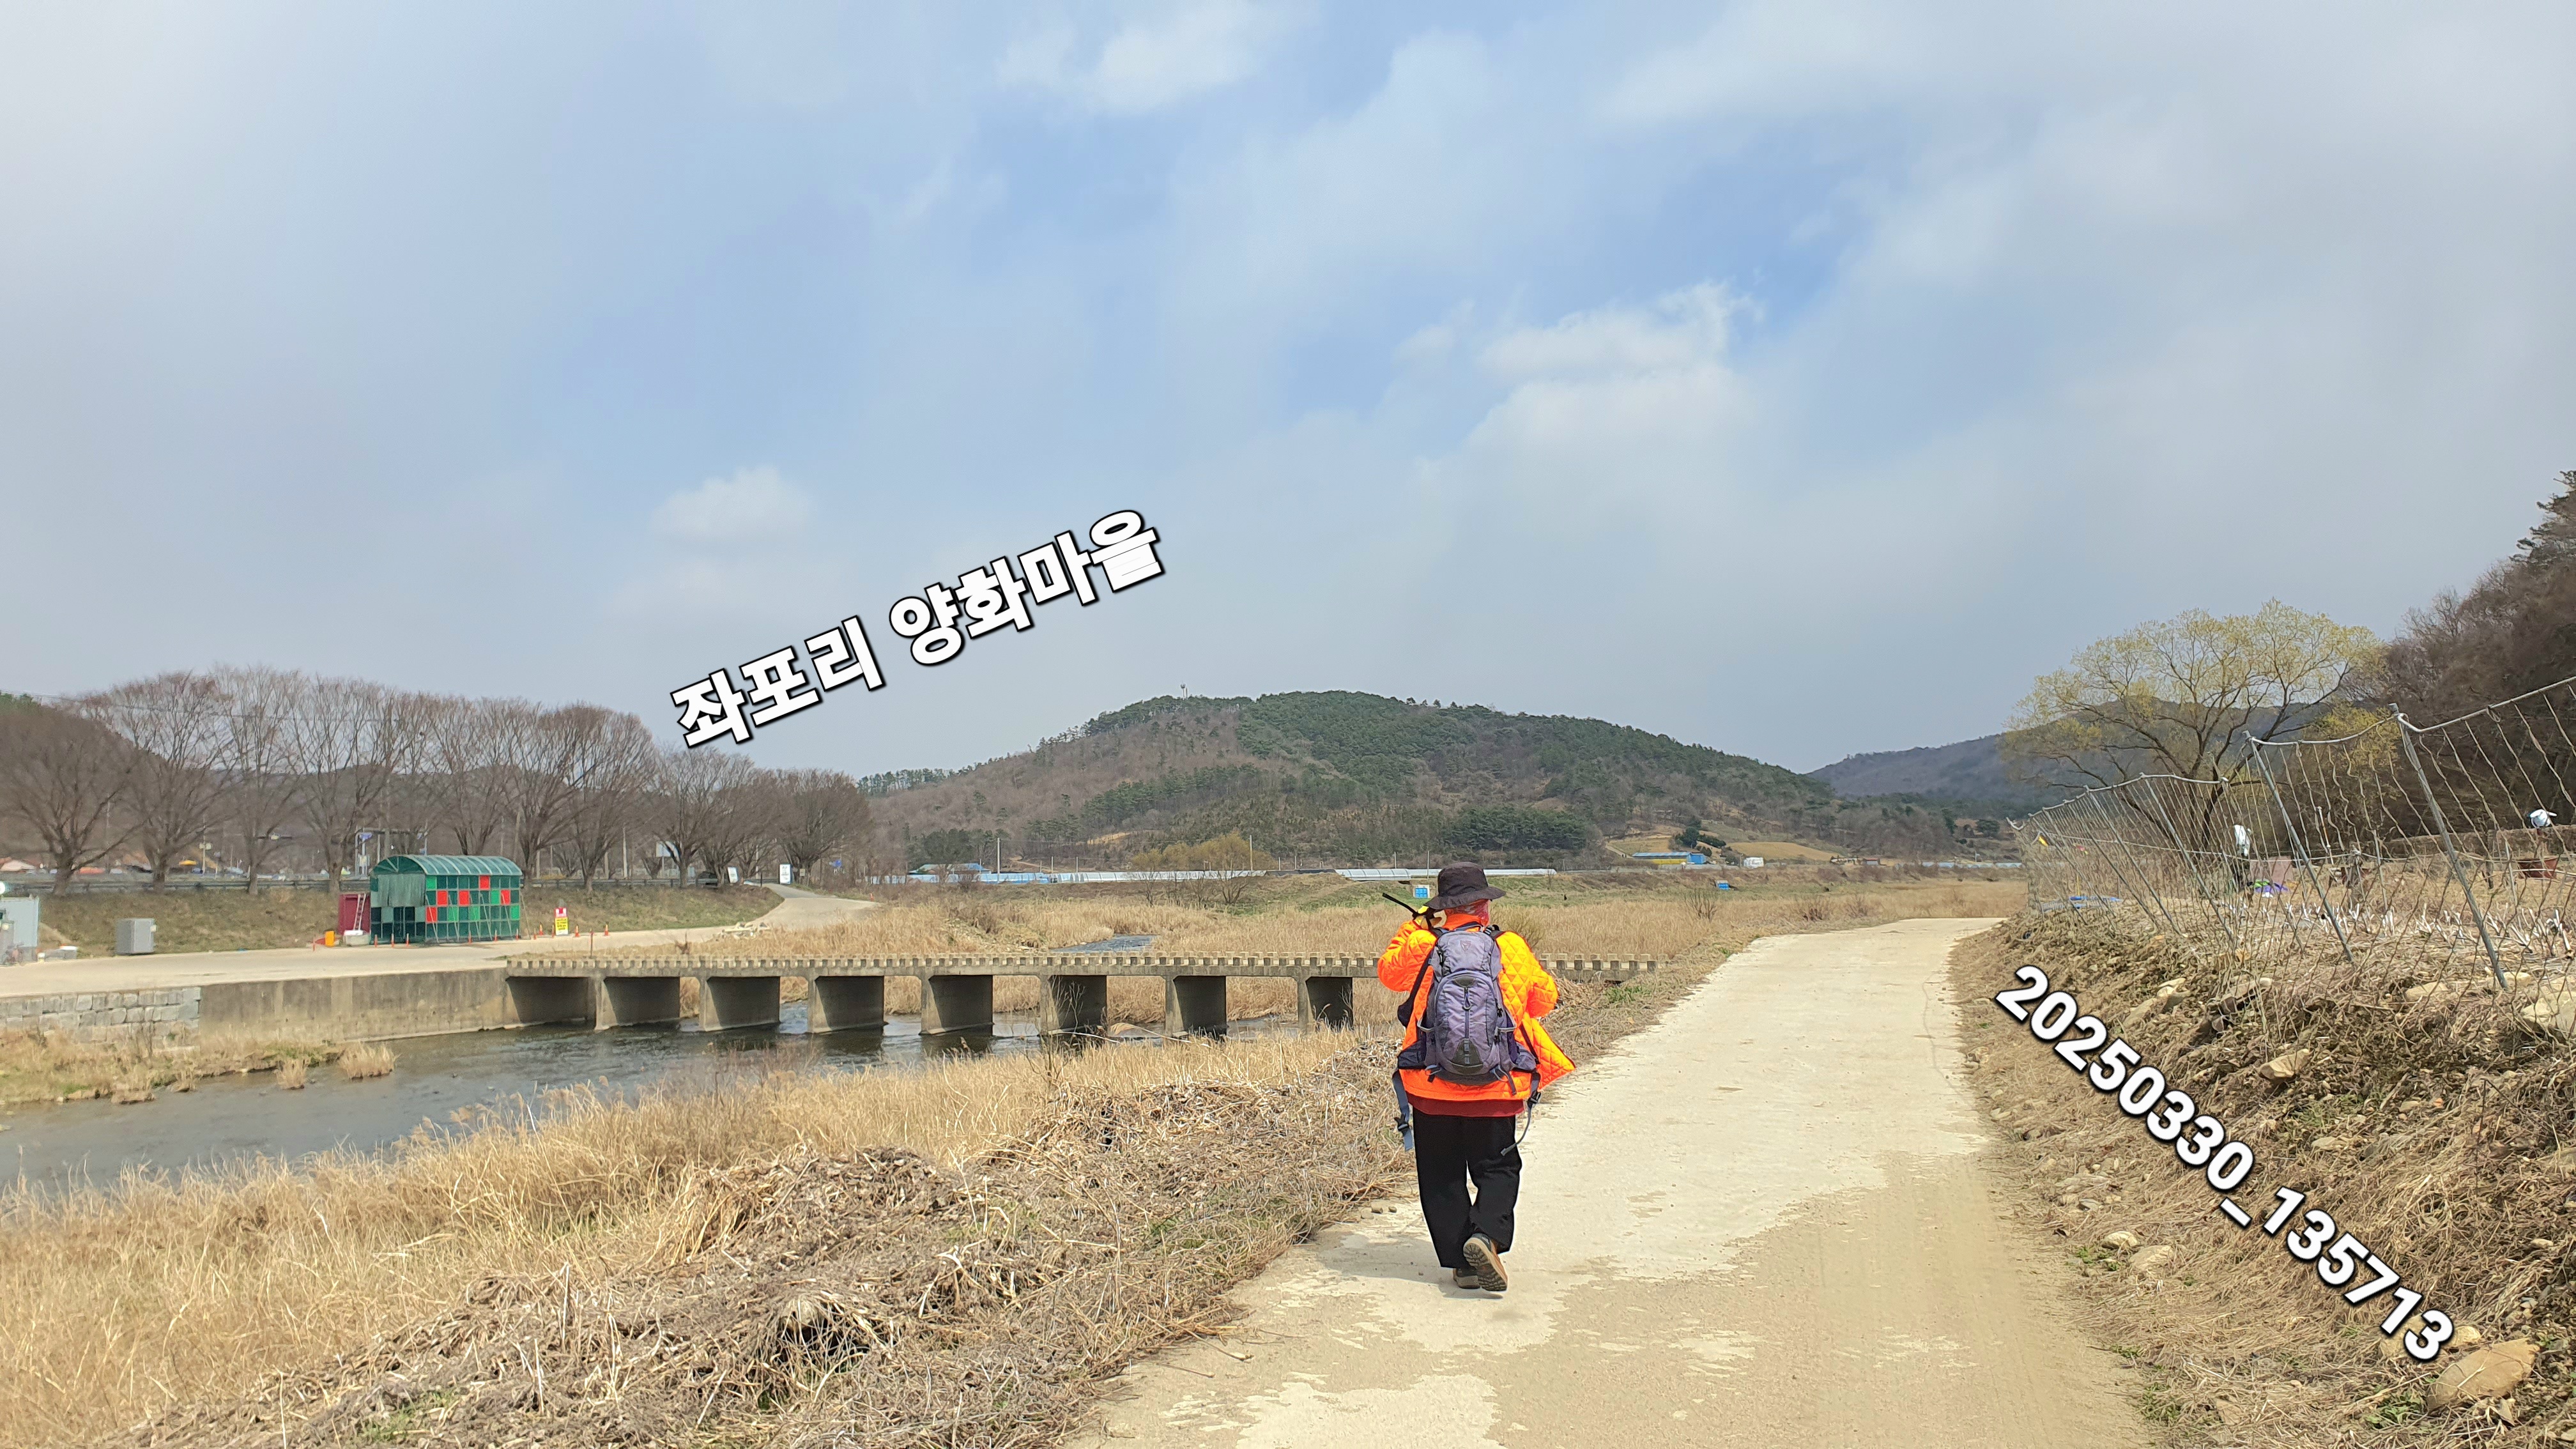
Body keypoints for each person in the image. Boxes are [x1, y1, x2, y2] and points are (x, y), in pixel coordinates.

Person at [1377, 861, 1574, 1293]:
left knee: (1440, 1173)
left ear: (1445, 908)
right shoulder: (1510, 946)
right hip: (1497, 1082)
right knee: (1498, 1165)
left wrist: (1415, 927)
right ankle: (1486, 1236)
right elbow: (1544, 1002)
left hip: (1431, 1083)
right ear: (1484, 906)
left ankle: (1461, 1264)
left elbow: (1388, 974)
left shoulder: (1425, 945)